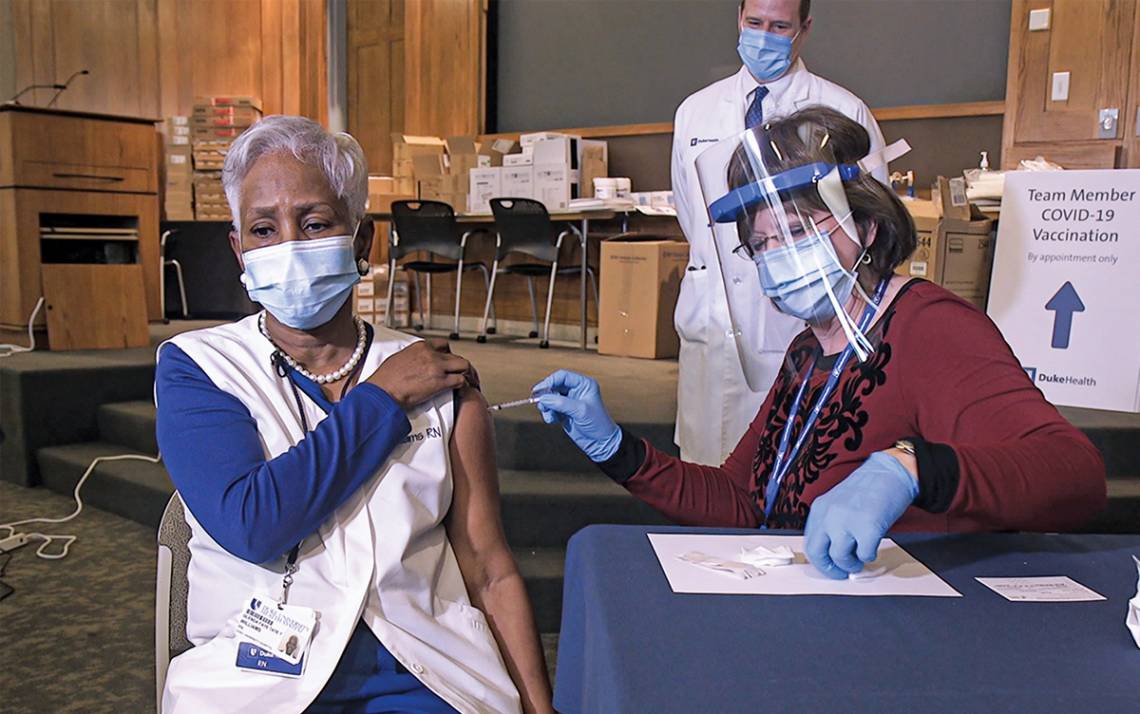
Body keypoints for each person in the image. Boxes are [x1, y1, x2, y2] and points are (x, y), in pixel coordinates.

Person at [536, 107, 1106, 579]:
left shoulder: (931, 327)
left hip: (909, 626)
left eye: (800, 230)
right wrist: (615, 447)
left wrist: (909, 467)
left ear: (868, 228)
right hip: (806, 604)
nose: (778, 254)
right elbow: (742, 501)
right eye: (761, 243)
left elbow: (1073, 475)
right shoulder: (808, 350)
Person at [155, 116, 553, 713]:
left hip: (426, 672)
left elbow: (488, 569)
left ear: (361, 241)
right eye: (264, 229)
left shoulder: (440, 379)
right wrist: (382, 399)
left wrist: (539, 709)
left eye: (315, 223)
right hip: (261, 680)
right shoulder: (198, 368)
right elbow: (252, 524)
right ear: (239, 248)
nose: (290, 244)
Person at [672, 0, 888, 466]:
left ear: (804, 29)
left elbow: (871, 226)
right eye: (754, 23)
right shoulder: (695, 112)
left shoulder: (841, 110)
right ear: (738, 19)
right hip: (713, 325)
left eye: (779, 26)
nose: (763, 36)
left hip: (799, 321)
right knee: (704, 472)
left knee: (789, 467)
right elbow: (692, 215)